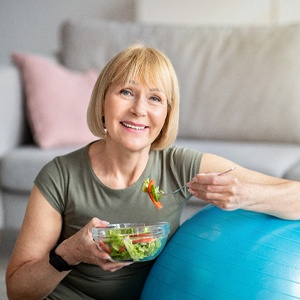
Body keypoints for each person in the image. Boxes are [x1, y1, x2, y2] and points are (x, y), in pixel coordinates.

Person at [6, 44, 300, 300]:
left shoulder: (179, 166)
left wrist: (246, 195)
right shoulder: (59, 176)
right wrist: (70, 253)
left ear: (167, 114)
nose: (138, 109)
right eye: (126, 92)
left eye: (155, 98)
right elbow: (17, 290)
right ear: (102, 102)